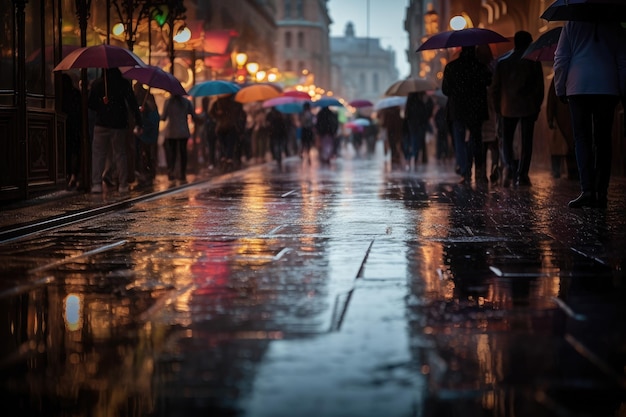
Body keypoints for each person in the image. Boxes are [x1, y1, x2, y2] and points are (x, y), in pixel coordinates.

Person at [554, 21, 626, 209]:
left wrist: (560, 87)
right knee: (603, 140)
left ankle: (587, 190)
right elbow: (623, 61)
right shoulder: (614, 26)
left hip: (578, 87)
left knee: (582, 138)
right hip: (607, 86)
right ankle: (601, 192)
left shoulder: (571, 25)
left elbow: (561, 58)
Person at [491, 30, 544, 187]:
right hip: (528, 106)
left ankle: (512, 168)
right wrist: (537, 106)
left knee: (507, 141)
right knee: (527, 142)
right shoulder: (533, 61)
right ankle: (523, 174)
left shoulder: (503, 62)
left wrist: (497, 108)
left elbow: (495, 89)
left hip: (507, 108)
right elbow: (539, 87)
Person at [442, 45, 492, 184]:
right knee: (476, 139)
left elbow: (445, 90)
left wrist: (458, 91)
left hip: (458, 109)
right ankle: (479, 169)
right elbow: (489, 81)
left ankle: (465, 170)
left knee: (459, 140)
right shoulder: (479, 66)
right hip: (476, 108)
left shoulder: (452, 67)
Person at [88, 68, 142, 193]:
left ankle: (96, 183)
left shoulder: (97, 84)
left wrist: (102, 103)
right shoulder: (123, 84)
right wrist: (139, 121)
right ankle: (122, 184)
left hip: (101, 123)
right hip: (119, 124)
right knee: (120, 153)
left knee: (98, 154)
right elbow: (132, 103)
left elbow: (91, 104)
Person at [161, 94, 195, 182]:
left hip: (171, 131)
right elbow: (193, 114)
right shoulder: (186, 102)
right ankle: (182, 173)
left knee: (172, 153)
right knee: (183, 152)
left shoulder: (168, 102)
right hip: (183, 130)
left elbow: (164, 117)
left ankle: (171, 172)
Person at [546, 78, 573, 179]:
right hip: (563, 117)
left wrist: (550, 118)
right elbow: (552, 99)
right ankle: (568, 171)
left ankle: (564, 171)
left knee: (565, 146)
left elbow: (551, 99)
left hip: (561, 116)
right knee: (566, 145)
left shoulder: (557, 78)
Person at [133, 83, 159, 186]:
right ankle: (147, 171)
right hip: (144, 128)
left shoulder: (146, 98)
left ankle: (147, 171)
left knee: (145, 151)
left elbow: (151, 113)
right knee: (145, 152)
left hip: (146, 128)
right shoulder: (145, 97)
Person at [61, 73, 82, 190]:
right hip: (76, 126)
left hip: (67, 126)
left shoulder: (62, 94)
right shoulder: (76, 94)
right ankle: (74, 174)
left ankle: (69, 174)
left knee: (68, 152)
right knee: (76, 151)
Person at [403, 91, 434, 168]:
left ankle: (411, 156)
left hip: (412, 125)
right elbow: (425, 113)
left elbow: (406, 114)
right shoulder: (420, 102)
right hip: (419, 125)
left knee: (413, 141)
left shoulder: (410, 102)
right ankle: (415, 157)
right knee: (416, 142)